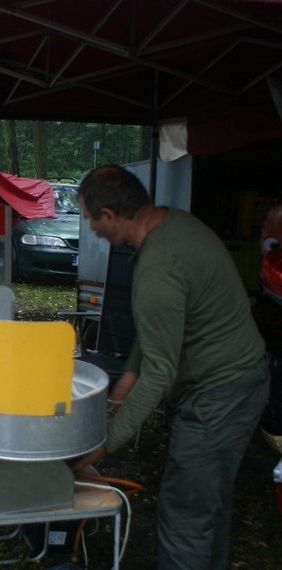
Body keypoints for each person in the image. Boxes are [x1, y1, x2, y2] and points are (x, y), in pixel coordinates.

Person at [70, 165, 269, 570]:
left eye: (91, 218)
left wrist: (105, 441)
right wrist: (131, 369)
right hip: (244, 378)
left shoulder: (158, 267)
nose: (91, 228)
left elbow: (160, 374)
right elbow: (166, 321)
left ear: (109, 215)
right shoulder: (175, 225)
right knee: (209, 505)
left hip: (218, 395)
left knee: (185, 515)